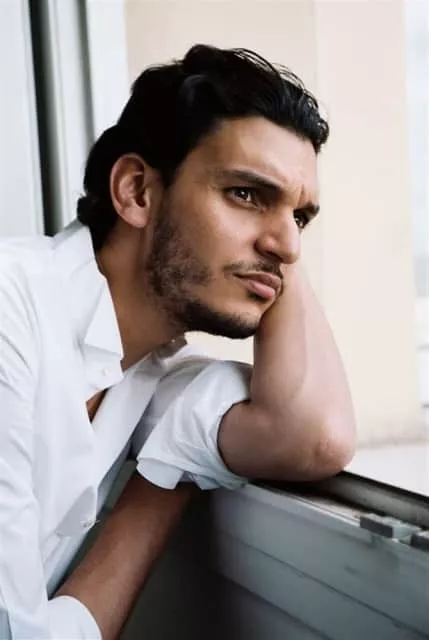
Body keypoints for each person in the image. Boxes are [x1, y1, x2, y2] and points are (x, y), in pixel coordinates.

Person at [0, 44, 355, 639]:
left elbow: (312, 435)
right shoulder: (11, 313)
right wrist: (163, 482)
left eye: (301, 218)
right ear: (137, 192)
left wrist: (166, 475)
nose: (290, 247)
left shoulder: (148, 371)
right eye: (247, 193)